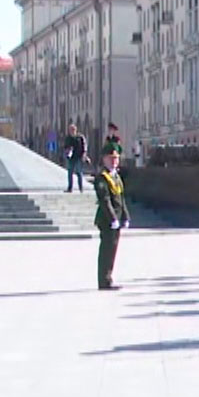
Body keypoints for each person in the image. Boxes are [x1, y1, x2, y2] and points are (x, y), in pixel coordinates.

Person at [94, 145, 128, 289]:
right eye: (111, 158)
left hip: (116, 220)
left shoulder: (116, 177)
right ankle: (104, 280)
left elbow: (121, 198)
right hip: (106, 220)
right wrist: (113, 218)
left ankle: (109, 277)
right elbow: (105, 200)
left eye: (116, 158)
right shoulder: (102, 178)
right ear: (104, 159)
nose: (114, 161)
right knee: (106, 251)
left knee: (112, 250)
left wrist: (125, 216)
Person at [63, 122, 87, 192]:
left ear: (75, 130)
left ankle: (81, 188)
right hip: (71, 158)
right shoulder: (68, 138)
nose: (72, 131)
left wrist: (84, 155)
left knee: (79, 172)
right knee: (70, 172)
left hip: (78, 157)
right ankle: (70, 188)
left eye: (73, 130)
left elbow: (84, 147)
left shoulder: (80, 137)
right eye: (70, 130)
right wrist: (67, 151)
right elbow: (65, 147)